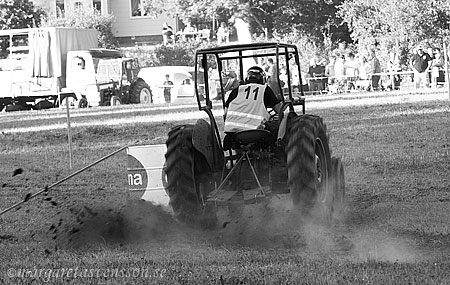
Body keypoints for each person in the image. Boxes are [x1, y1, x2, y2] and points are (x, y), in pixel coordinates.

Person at [223, 66, 282, 149]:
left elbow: (225, 114)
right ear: (262, 79)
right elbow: (279, 110)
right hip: (257, 132)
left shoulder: (237, 90)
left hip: (235, 134)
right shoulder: (265, 89)